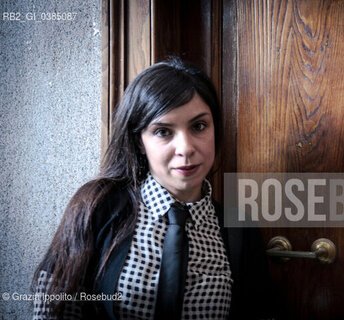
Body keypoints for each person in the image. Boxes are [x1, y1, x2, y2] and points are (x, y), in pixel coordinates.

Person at [31, 58, 279, 320]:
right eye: (163, 131)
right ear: (139, 141)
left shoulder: (239, 229)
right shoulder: (97, 207)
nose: (185, 148)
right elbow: (54, 309)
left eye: (199, 126)